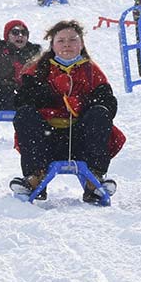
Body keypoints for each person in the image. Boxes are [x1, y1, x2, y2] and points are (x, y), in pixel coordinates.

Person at [9, 20, 125, 204]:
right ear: (53, 45)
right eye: (61, 41)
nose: (67, 45)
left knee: (100, 114)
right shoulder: (38, 69)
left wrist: (81, 103)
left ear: (81, 44)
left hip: (81, 139)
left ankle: (94, 179)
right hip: (46, 139)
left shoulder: (92, 72)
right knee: (24, 115)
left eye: (72, 40)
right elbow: (22, 100)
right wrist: (52, 94)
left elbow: (109, 104)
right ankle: (35, 177)